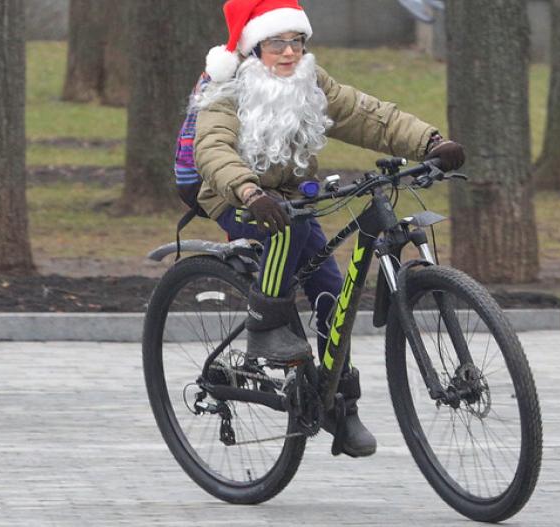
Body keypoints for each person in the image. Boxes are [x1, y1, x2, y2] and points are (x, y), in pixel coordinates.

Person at [192, 0, 466, 458]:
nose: (288, 53)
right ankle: (267, 323)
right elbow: (213, 147)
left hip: (291, 202)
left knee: (332, 292)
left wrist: (430, 142)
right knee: (290, 230)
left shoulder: (309, 82)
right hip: (236, 198)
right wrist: (248, 190)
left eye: (296, 41)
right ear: (253, 48)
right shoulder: (227, 91)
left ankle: (341, 405)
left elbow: (367, 114)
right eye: (276, 43)